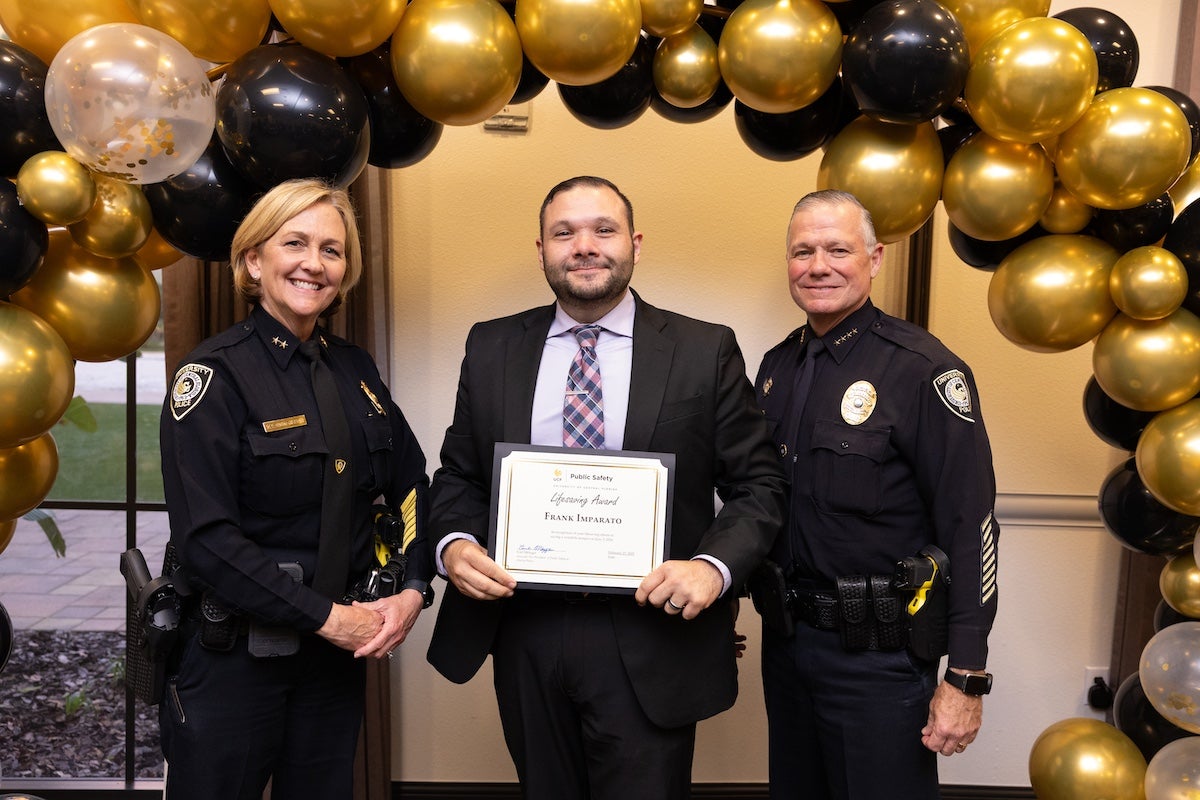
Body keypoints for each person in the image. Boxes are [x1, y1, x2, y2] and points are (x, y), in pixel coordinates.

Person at [425, 176, 787, 799]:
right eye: (564, 233)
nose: (584, 246)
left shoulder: (704, 350)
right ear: (540, 250)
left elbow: (759, 484)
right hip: (524, 629)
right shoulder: (491, 346)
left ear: (635, 244)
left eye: (604, 230)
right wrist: (454, 545)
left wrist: (712, 567)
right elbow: (459, 472)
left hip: (653, 636)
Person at [157, 178, 434, 800]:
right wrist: (327, 618)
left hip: (334, 666)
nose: (314, 263)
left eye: (332, 251)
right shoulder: (213, 377)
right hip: (235, 663)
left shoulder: (354, 369)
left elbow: (412, 486)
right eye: (296, 243)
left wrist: (412, 588)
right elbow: (207, 541)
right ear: (253, 260)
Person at [752, 189, 999, 799]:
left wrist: (966, 677)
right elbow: (757, 504)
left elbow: (971, 526)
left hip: (878, 658)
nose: (818, 266)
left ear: (875, 258)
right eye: (802, 251)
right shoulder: (776, 368)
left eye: (838, 249)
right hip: (786, 646)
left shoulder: (922, 370)